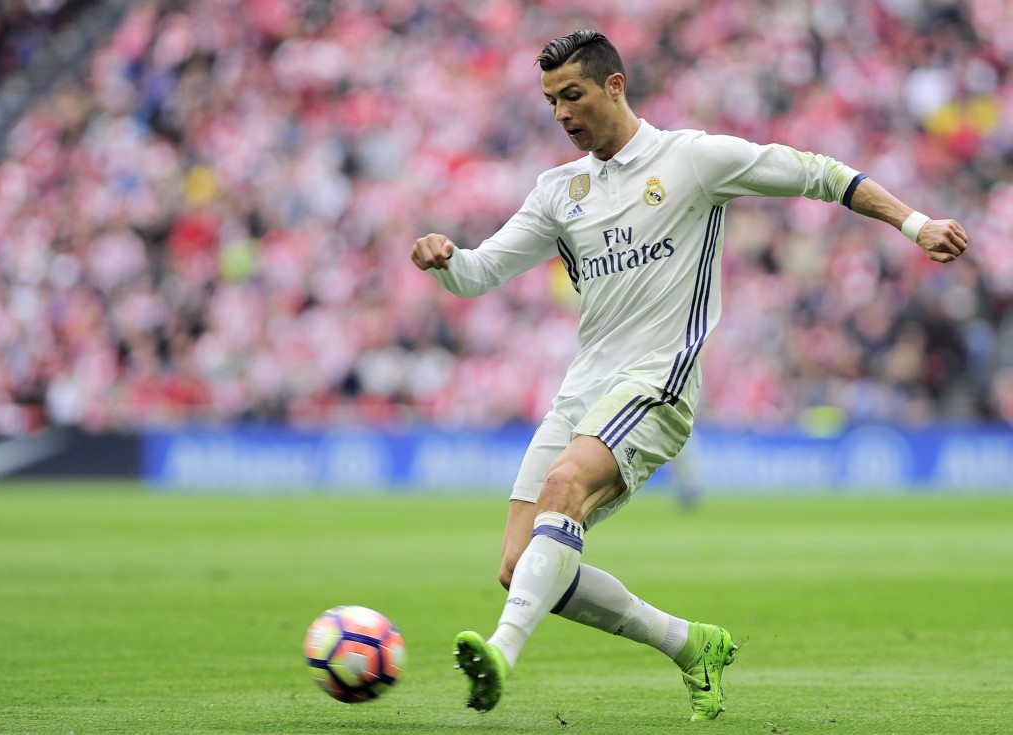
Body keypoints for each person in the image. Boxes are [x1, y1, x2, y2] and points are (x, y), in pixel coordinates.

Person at [409, 29, 968, 722]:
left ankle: (499, 654)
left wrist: (915, 223)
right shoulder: (560, 190)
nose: (561, 113)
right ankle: (690, 643)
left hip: (659, 380)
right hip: (585, 388)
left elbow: (819, 172)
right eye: (551, 101)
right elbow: (481, 271)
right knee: (518, 566)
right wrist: (445, 257)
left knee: (564, 487)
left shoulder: (693, 160)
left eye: (573, 95)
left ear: (615, 85)